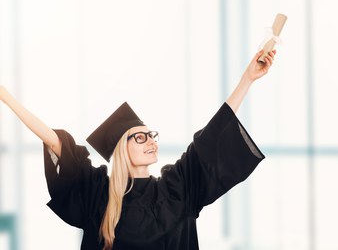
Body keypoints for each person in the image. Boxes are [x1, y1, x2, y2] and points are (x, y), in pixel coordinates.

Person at [0, 49, 276, 250]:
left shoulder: (178, 187)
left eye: (151, 135)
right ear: (121, 147)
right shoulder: (98, 193)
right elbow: (53, 140)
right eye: (140, 137)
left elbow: (213, 135)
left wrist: (247, 79)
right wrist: (6, 96)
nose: (151, 141)